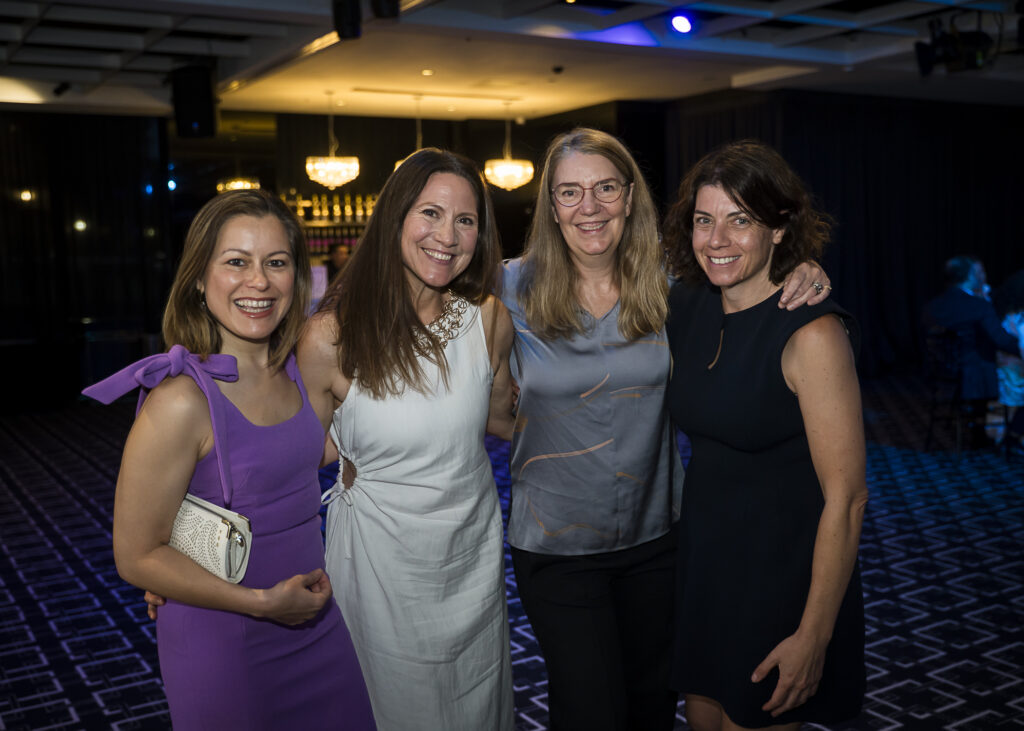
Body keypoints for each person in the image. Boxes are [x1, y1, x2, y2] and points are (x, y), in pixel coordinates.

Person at [502, 127, 832, 731]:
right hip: (555, 546)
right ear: (550, 205)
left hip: (658, 538)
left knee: (653, 707)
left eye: (605, 188)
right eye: (570, 192)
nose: (589, 206)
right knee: (591, 711)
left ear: (630, 196)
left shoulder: (676, 282)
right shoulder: (505, 290)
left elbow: (751, 280)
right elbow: (454, 369)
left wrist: (802, 266)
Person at [83, 190, 375, 729]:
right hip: (225, 643)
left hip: (317, 627)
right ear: (199, 277)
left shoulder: (298, 371)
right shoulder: (180, 401)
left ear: (297, 276)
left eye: (276, 263)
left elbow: (301, 459)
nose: (258, 281)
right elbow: (135, 555)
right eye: (236, 262)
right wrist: (261, 603)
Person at [297, 148, 517, 730]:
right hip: (380, 567)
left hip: (469, 560)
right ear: (395, 217)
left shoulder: (487, 319)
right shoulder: (331, 337)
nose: (448, 236)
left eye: (465, 220)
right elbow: (295, 462)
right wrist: (199, 554)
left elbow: (503, 419)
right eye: (430, 214)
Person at [663, 139, 866, 730]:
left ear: (779, 228)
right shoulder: (689, 304)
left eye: (740, 220)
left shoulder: (812, 335)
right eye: (704, 220)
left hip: (779, 577)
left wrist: (814, 635)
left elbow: (848, 499)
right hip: (706, 566)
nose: (717, 239)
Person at [923, 256, 1024, 447]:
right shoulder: (978, 306)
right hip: (975, 377)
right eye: (979, 272)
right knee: (1015, 375)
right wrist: (1021, 348)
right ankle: (1012, 435)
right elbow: (1001, 340)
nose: (983, 276)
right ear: (970, 276)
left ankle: (982, 432)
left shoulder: (933, 306)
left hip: (941, 375)